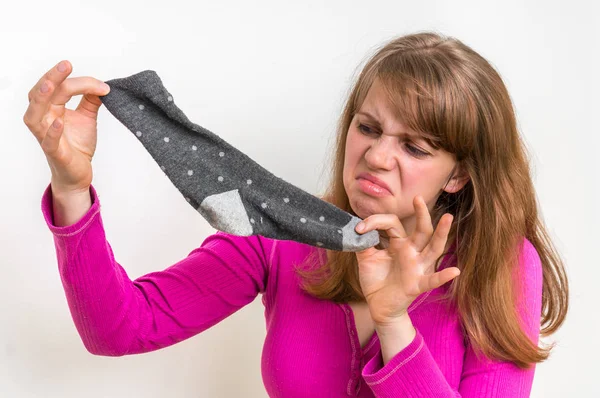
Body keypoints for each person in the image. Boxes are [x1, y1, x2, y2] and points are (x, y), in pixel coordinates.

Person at [24, 31, 569, 397]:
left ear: (458, 175)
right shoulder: (281, 237)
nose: (377, 156)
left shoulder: (501, 265)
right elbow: (119, 328)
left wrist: (394, 322)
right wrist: (72, 189)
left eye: (416, 147)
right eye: (369, 128)